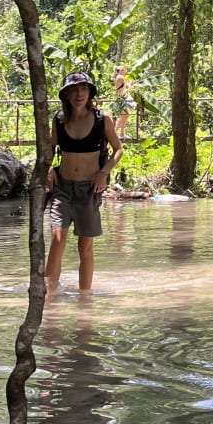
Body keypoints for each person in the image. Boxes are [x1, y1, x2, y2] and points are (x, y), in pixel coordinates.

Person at [45, 71, 123, 294]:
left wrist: (104, 173)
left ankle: (85, 299)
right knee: (57, 239)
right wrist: (48, 168)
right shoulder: (59, 120)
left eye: (83, 89)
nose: (79, 94)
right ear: (66, 94)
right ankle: (49, 296)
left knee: (85, 247)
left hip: (88, 190)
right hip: (63, 188)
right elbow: (50, 149)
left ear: (89, 93)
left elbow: (118, 150)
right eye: (74, 89)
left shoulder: (102, 119)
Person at [112, 64, 132, 137]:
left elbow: (126, 86)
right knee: (123, 117)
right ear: (119, 71)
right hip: (121, 100)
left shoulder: (120, 77)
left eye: (124, 69)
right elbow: (129, 87)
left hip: (122, 99)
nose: (125, 71)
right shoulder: (120, 77)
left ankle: (122, 133)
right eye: (123, 70)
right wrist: (130, 83)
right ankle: (114, 134)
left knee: (124, 117)